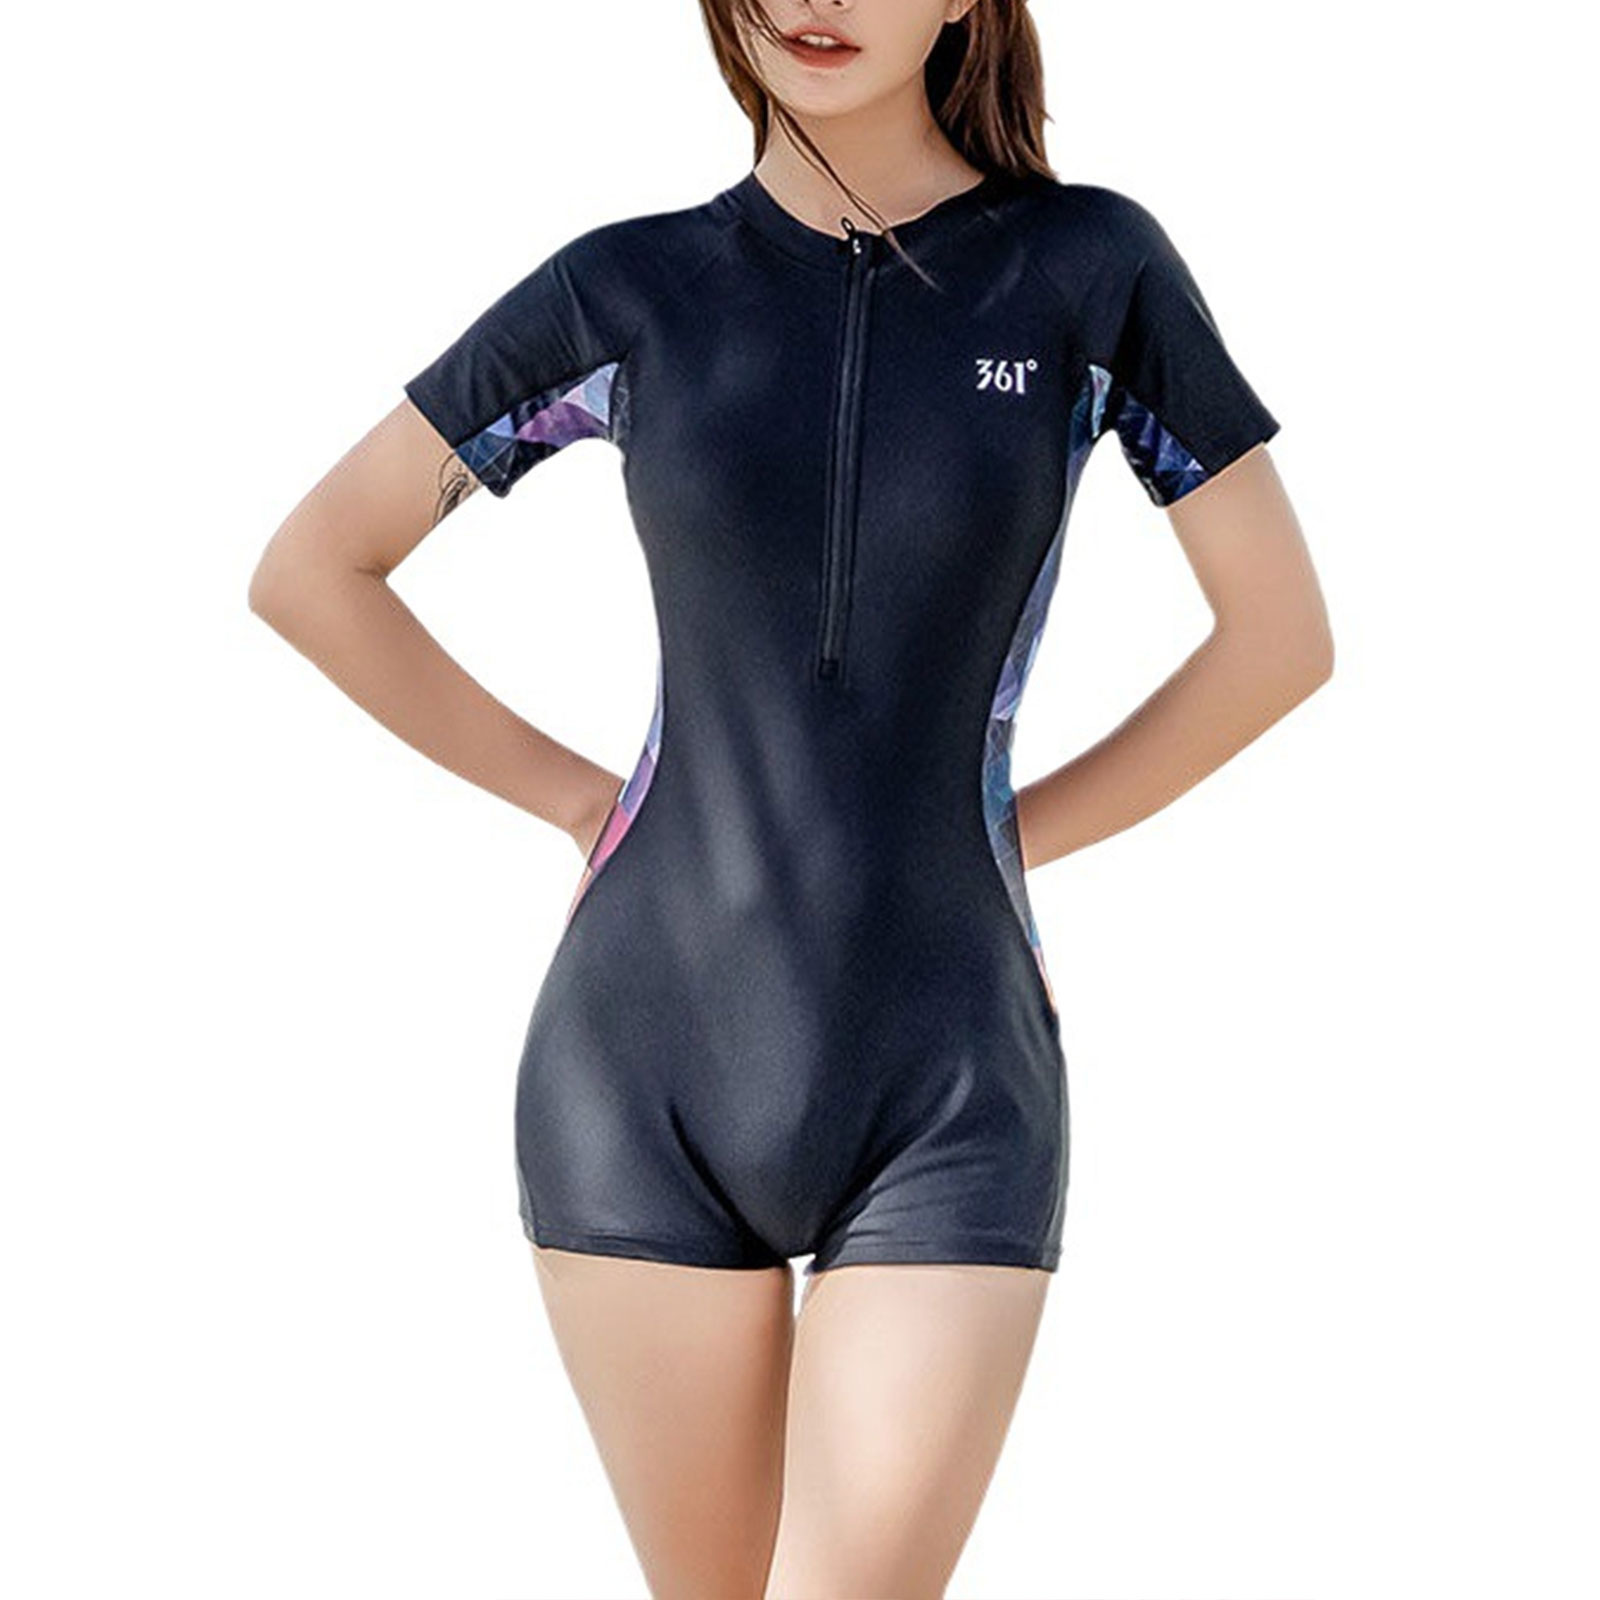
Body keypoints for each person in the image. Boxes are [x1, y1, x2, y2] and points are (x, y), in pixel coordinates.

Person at [248, 0, 1331, 1593]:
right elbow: (315, 569)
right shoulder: (628, 289)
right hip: (641, 1062)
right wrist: (577, 804)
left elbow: (1280, 641)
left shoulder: (1090, 272)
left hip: (951, 1079)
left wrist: (1002, 839)